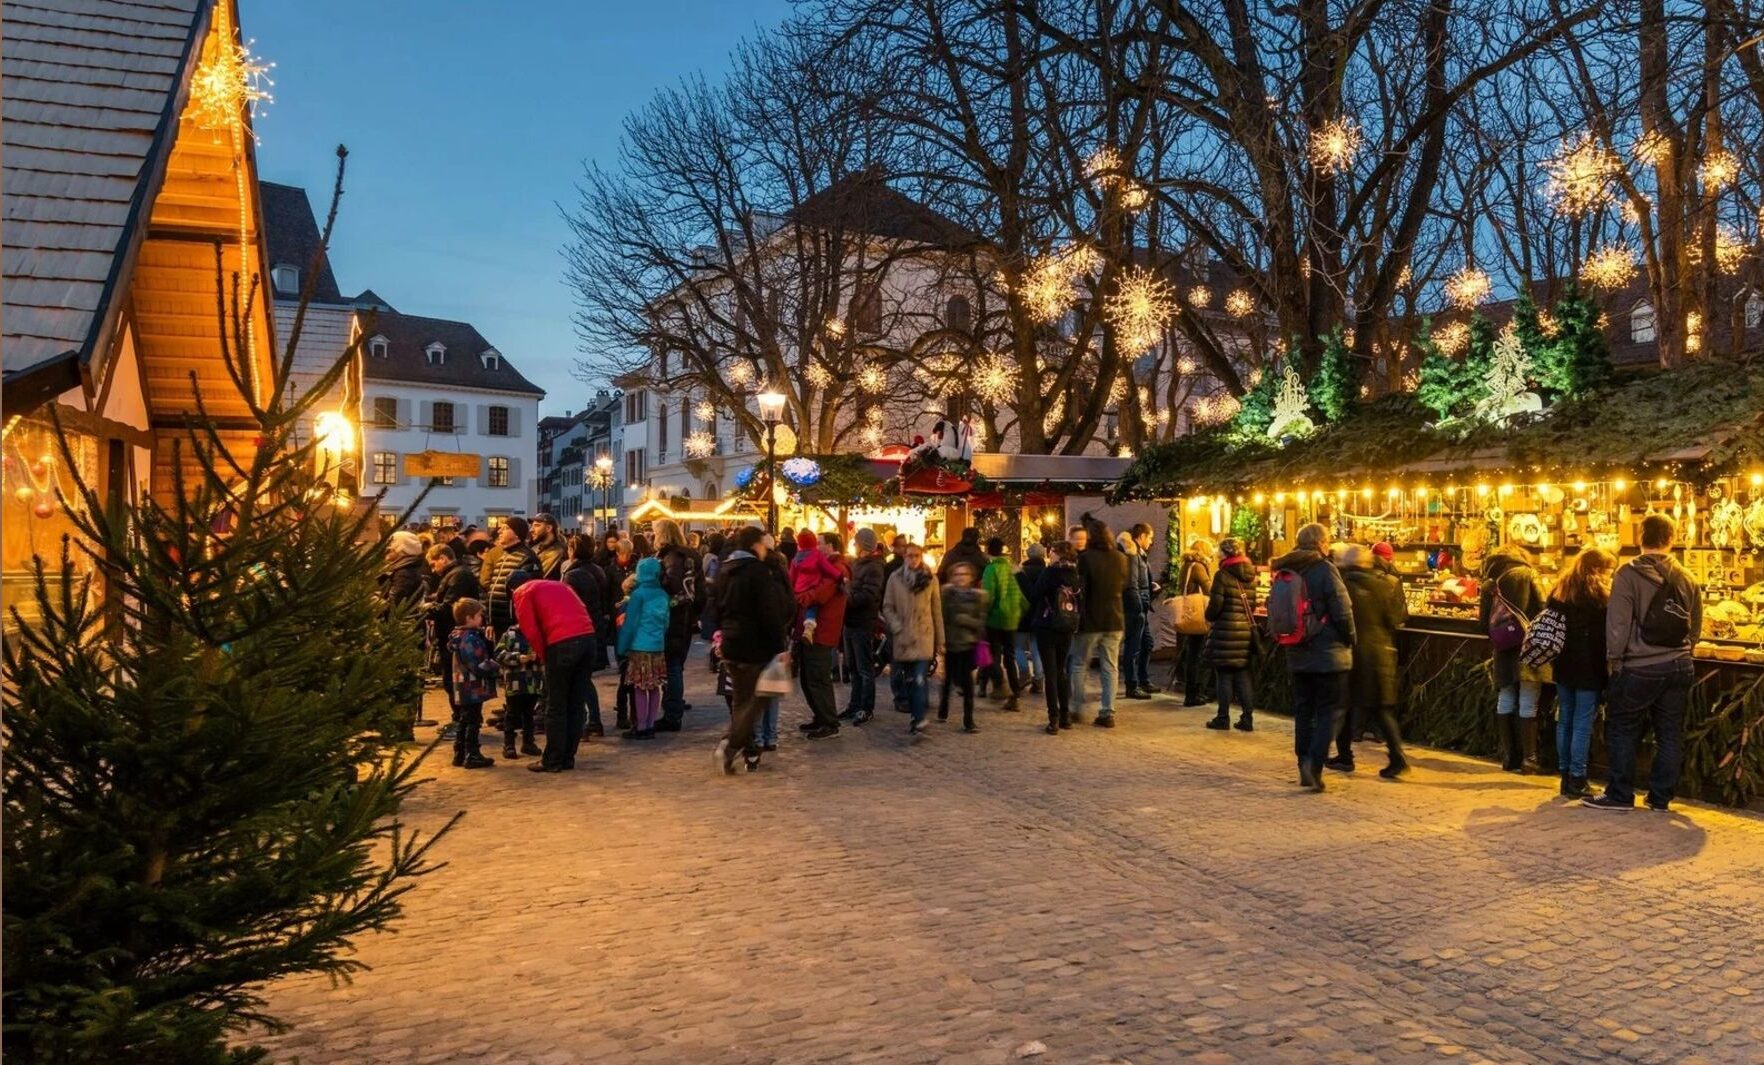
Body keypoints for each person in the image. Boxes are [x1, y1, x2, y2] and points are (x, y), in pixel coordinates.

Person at [1586, 515, 1701, 812]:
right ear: (1671, 539)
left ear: (1640, 538)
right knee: (1669, 732)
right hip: (1680, 664)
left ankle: (1621, 794)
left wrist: (1615, 659)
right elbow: (1696, 623)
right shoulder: (1687, 577)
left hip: (1639, 666)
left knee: (1623, 728)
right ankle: (1660, 797)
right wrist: (1686, 650)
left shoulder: (1627, 575)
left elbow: (1618, 624)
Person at [1270, 522, 1356, 792]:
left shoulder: (1287, 569)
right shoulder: (1324, 569)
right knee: (1330, 710)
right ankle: (1315, 765)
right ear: (1320, 543)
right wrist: (1350, 638)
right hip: (1327, 651)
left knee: (1304, 711)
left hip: (1296, 650)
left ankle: (1303, 762)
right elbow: (1342, 610)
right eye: (1327, 540)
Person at [714, 527, 796, 774]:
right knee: (757, 700)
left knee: (741, 701)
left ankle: (745, 751)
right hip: (755, 645)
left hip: (732, 642)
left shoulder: (725, 569)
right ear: (754, 545)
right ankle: (730, 746)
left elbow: (716, 606)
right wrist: (779, 648)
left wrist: (722, 635)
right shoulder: (758, 572)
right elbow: (769, 612)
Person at [1336, 543, 1409, 779]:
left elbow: (1340, 620)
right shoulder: (1384, 584)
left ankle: (1345, 756)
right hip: (1381, 652)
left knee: (1344, 706)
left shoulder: (1344, 586)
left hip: (1354, 653)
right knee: (1381, 710)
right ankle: (1396, 757)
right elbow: (1395, 618)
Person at [511, 575, 597, 774]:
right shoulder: (560, 585)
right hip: (587, 638)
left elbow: (529, 628)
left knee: (556, 704)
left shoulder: (522, 592)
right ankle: (568, 756)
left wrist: (543, 655)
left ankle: (553, 759)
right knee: (576, 702)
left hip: (561, 643)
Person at [1549, 547, 1615, 799]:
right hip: (1589, 665)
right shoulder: (1599, 597)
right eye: (1608, 572)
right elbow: (1605, 634)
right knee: (1582, 723)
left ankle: (1565, 777)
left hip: (1563, 663)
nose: (1609, 577)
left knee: (1565, 719)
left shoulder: (1560, 589)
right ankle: (1578, 778)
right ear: (1596, 570)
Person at [1480, 542, 1549, 773]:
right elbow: (1543, 609)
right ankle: (1529, 759)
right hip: (1528, 646)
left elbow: (1483, 623)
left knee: (1506, 696)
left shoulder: (1490, 582)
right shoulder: (1529, 574)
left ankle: (1509, 757)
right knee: (1529, 700)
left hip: (1503, 648)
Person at [1071, 519, 1129, 728]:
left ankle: (1076, 708)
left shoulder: (1086, 559)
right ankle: (1107, 711)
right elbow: (1124, 585)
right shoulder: (1121, 558)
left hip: (1090, 620)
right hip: (1115, 618)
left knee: (1078, 664)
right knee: (1110, 667)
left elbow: (1081, 589)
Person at [883, 542, 944, 737]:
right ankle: (916, 717)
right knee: (910, 679)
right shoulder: (895, 579)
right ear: (904, 557)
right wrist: (896, 626)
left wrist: (941, 640)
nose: (913, 559)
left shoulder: (930, 579)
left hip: (924, 636)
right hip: (904, 637)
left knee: (919, 678)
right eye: (910, 555)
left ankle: (919, 719)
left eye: (917, 555)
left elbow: (937, 611)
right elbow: (887, 606)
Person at [793, 531, 849, 739]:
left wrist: (800, 597)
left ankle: (829, 721)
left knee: (818, 677)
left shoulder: (837, 568)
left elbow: (820, 595)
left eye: (820, 543)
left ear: (831, 546)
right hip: (812, 631)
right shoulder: (822, 565)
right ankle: (820, 716)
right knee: (808, 677)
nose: (816, 547)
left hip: (822, 631)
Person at [652, 519, 704, 732]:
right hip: (686, 615)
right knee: (675, 664)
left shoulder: (672, 556)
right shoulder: (690, 554)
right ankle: (673, 706)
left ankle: (672, 713)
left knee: (672, 665)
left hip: (674, 615)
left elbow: (672, 584)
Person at [1202, 538, 1258, 733]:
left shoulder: (1222, 575)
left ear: (1225, 554)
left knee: (1224, 675)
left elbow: (1215, 606)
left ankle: (1223, 717)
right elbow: (1251, 605)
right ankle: (1247, 718)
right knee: (1243, 675)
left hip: (1225, 632)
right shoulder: (1251, 575)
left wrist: (1208, 616)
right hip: (1244, 632)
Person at [422, 544, 480, 722]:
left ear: (443, 558)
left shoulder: (458, 575)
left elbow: (449, 606)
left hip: (454, 634)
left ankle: (462, 720)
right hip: (450, 633)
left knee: (455, 680)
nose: (433, 569)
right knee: (451, 679)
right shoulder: (454, 574)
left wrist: (426, 608)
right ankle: (462, 718)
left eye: (433, 564)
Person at [560, 534, 610, 737]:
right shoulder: (597, 570)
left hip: (578, 629)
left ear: (573, 550)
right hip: (594, 626)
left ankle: (583, 722)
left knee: (579, 679)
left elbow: (569, 604)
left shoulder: (573, 574)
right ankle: (594, 720)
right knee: (584, 678)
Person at [1028, 540, 1081, 733]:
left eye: (1052, 552)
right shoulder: (1075, 574)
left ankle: (1054, 719)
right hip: (1067, 627)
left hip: (1047, 625)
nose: (1049, 555)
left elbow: (1034, 595)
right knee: (1061, 671)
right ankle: (1066, 716)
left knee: (1050, 672)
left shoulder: (1050, 573)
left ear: (1058, 554)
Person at [617, 556, 672, 738]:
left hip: (640, 646)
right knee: (655, 686)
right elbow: (666, 622)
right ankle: (650, 724)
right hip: (657, 646)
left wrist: (622, 646)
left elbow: (631, 624)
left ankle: (641, 726)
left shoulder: (638, 595)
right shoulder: (663, 594)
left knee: (640, 688)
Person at [445, 598, 499, 769]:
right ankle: (472, 753)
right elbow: (477, 664)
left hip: (462, 684)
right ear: (469, 618)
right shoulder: (469, 639)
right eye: (478, 616)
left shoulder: (458, 637)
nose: (481, 619)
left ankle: (459, 752)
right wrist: (494, 667)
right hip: (472, 685)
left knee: (464, 719)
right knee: (473, 720)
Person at [841, 528, 887, 724]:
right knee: (852, 667)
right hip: (850, 622)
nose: (854, 544)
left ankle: (866, 708)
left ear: (863, 544)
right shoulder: (857, 564)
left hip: (862, 622)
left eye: (856, 541)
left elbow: (868, 596)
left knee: (864, 668)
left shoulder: (874, 567)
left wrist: (848, 591)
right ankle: (854, 705)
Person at [938, 561, 988, 733]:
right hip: (951, 644)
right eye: (957, 574)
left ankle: (969, 720)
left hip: (968, 644)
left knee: (967, 684)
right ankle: (943, 708)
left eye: (964, 574)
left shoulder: (978, 596)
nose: (961, 578)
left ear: (971, 577)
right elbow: (941, 618)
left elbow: (981, 622)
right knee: (948, 680)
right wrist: (940, 641)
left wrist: (964, 620)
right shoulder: (946, 594)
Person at [979, 537, 1027, 710]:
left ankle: (1000, 686)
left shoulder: (991, 570)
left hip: (996, 618)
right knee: (1010, 656)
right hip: (1012, 620)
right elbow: (1021, 597)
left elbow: (988, 596)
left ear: (987, 551)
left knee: (992, 655)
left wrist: (983, 614)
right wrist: (1019, 612)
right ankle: (1015, 695)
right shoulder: (1011, 568)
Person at [493, 616, 543, 758]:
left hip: (533, 683)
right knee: (512, 714)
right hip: (514, 683)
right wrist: (516, 658)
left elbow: (546, 654)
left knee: (529, 714)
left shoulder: (538, 635)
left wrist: (537, 657)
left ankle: (528, 742)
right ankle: (509, 744)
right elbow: (498, 654)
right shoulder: (509, 635)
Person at [1174, 538, 1215, 705]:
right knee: (1196, 654)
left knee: (1192, 653)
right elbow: (1209, 589)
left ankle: (1192, 692)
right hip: (1196, 614)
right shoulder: (1197, 566)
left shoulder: (1187, 565)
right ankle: (1193, 694)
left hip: (1188, 614)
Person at [484, 518, 539, 635]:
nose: (499, 531)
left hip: (513, 624)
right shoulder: (504, 556)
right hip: (498, 623)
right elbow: (494, 590)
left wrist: (518, 623)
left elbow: (527, 594)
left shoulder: (527, 558)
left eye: (505, 528)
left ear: (517, 534)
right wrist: (490, 621)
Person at [1117, 529, 1155, 700]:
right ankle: (1132, 685)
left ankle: (1142, 680)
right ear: (1142, 536)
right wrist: (1139, 604)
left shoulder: (1140, 554)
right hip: (1136, 607)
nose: (1151, 541)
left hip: (1141, 605)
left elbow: (1139, 580)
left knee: (1147, 643)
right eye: (1150, 537)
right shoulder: (1132, 554)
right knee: (1133, 647)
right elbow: (1132, 583)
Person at [884, 534, 913, 712]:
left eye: (906, 546)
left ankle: (910, 695)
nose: (904, 550)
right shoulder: (890, 568)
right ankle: (900, 696)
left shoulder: (914, 568)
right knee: (896, 662)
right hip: (895, 619)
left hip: (911, 621)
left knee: (911, 660)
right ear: (895, 548)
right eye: (901, 546)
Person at [1014, 543, 1047, 695]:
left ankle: (1024, 673)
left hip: (1021, 614)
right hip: (1040, 615)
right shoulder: (1047, 572)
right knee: (1037, 649)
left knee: (1019, 647)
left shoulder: (1021, 573)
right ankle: (1039, 680)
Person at [530, 513, 566, 579]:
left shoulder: (562, 551)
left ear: (548, 528)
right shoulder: (533, 549)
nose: (531, 530)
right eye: (532, 526)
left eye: (537, 525)